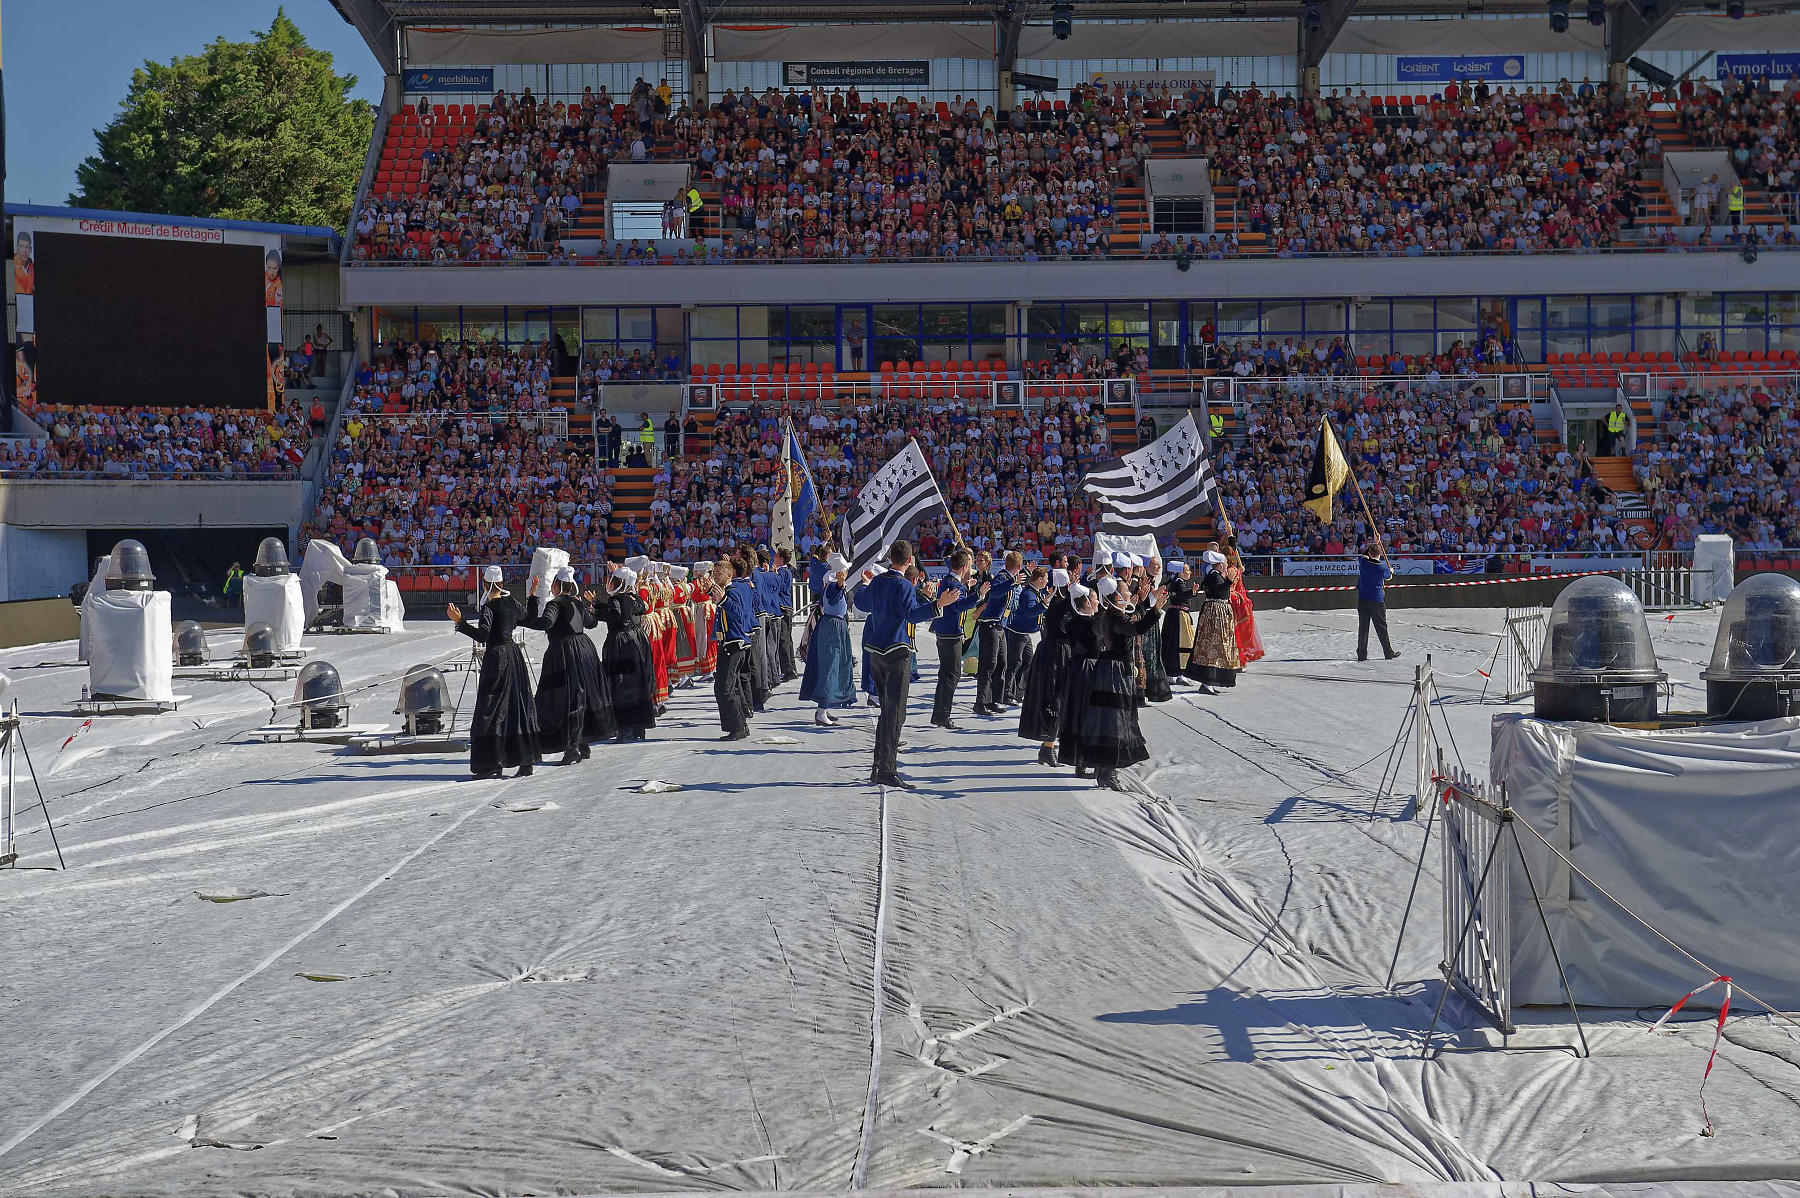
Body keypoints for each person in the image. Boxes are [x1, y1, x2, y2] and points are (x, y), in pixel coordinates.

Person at [854, 541, 951, 789]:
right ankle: (887, 769)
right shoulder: (903, 585)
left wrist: (865, 584)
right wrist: (938, 604)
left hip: (876, 652)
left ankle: (879, 765)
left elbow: (861, 603)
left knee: (887, 711)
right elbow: (912, 615)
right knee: (895, 712)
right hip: (896, 651)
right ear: (909, 560)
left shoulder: (878, 581)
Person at [1063, 572, 1165, 790]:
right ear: (1118, 596)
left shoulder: (1108, 614)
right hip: (1115, 672)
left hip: (1108, 669)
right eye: (1126, 590)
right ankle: (1108, 771)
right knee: (1115, 720)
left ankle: (1102, 768)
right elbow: (1135, 628)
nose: (1129, 592)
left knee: (1106, 719)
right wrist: (1155, 610)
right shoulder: (1115, 617)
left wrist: (1146, 605)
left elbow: (1130, 622)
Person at [448, 567, 541, 779]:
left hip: (497, 658)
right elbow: (530, 618)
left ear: (485, 584)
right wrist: (532, 595)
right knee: (517, 705)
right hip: (514, 656)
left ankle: (491, 763)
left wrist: (460, 622)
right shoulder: (511, 603)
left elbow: (483, 635)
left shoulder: (489, 607)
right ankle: (525, 760)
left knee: (489, 707)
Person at [522, 566, 614, 764]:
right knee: (582, 695)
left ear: (556, 585)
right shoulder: (576, 602)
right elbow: (591, 623)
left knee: (563, 698)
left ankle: (571, 746)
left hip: (564, 652)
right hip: (584, 649)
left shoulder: (555, 604)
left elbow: (545, 623)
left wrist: (530, 604)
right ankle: (582, 741)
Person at [1019, 567, 1076, 767]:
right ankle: (1048, 746)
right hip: (1058, 654)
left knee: (1055, 698)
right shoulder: (1061, 604)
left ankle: (1048, 745)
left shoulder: (1055, 601)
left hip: (1050, 651)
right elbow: (1067, 627)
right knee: (1056, 698)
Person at [927, 548, 989, 729]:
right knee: (952, 674)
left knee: (946, 674)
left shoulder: (949, 581)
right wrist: (978, 595)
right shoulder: (955, 585)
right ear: (964, 567)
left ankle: (939, 713)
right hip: (951, 633)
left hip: (944, 631)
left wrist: (967, 588)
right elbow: (958, 606)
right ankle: (943, 715)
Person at [594, 563, 658, 739]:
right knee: (637, 682)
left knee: (621, 684)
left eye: (614, 580)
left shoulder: (616, 599)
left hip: (620, 642)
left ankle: (625, 727)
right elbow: (639, 608)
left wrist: (595, 611)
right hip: (635, 639)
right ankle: (638, 726)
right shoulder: (633, 598)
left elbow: (614, 616)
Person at [799, 552, 857, 724]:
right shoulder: (833, 586)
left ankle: (824, 707)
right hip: (832, 628)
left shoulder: (834, 585)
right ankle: (821, 710)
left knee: (834, 665)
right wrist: (839, 583)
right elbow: (832, 597)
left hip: (835, 626)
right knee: (829, 665)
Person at [707, 557, 755, 740]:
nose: (715, 576)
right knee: (729, 686)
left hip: (733, 645)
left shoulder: (732, 592)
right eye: (714, 573)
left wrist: (723, 600)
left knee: (725, 687)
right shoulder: (725, 591)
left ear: (729, 575)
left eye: (719, 573)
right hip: (727, 644)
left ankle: (738, 726)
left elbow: (739, 614)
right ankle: (739, 724)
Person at [1185, 550, 1241, 695]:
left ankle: (1210, 681)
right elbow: (1219, 590)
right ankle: (1207, 682)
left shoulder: (1213, 575)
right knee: (1213, 646)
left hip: (1217, 612)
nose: (1227, 565)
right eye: (1225, 563)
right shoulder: (1214, 576)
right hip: (1216, 614)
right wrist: (1228, 581)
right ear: (1220, 564)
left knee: (1216, 646)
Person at [973, 550, 1021, 715]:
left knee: (1001, 663)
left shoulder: (1009, 579)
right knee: (988, 665)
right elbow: (994, 592)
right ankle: (981, 702)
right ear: (1019, 566)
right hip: (990, 625)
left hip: (1000, 626)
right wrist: (1012, 582)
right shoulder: (1002, 577)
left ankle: (994, 699)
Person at [1002, 565, 1048, 704]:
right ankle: (1007, 694)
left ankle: (1018, 692)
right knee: (1014, 663)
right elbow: (1030, 611)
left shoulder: (1034, 592)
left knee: (1027, 662)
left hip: (1025, 633)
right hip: (1018, 632)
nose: (1047, 581)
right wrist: (1043, 605)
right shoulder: (1029, 594)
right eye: (1046, 579)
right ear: (1039, 579)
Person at [1357, 539, 1401, 662]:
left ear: (1370, 553)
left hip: (1362, 599)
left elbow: (1364, 554)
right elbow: (1389, 577)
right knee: (1381, 628)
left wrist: (1375, 543)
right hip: (1376, 600)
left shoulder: (1363, 562)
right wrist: (1391, 570)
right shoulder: (1382, 567)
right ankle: (1388, 652)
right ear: (1380, 554)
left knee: (1363, 628)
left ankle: (1361, 653)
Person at [1161, 559, 1196, 679]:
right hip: (1179, 617)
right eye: (1187, 570)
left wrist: (1192, 592)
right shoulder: (1179, 583)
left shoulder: (1174, 581)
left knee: (1172, 643)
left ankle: (1173, 672)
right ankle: (1178, 672)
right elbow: (1184, 594)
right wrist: (1192, 591)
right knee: (1180, 643)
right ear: (1180, 573)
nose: (1190, 572)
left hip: (1175, 615)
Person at [774, 547, 799, 682]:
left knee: (783, 639)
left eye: (776, 556)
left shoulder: (781, 572)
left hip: (782, 607)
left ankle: (788, 669)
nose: (774, 558)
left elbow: (777, 587)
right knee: (787, 639)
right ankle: (791, 667)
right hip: (787, 606)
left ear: (781, 559)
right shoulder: (787, 571)